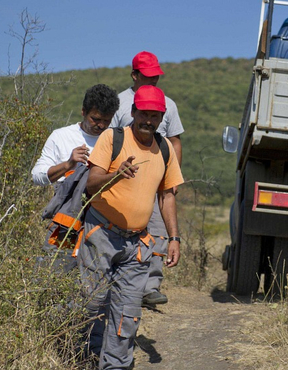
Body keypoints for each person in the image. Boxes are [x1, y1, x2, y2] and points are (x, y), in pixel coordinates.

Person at [79, 85, 183, 369]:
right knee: (93, 303)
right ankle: (85, 357)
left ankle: (114, 365)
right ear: (133, 112)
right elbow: (91, 183)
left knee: (127, 312)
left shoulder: (164, 149)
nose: (149, 120)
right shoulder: (112, 138)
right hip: (100, 234)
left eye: (156, 115)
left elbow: (167, 195)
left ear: (162, 117)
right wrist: (115, 175)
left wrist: (173, 238)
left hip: (137, 244)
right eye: (144, 114)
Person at [111, 51, 184, 306]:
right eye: (148, 76)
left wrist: (171, 180)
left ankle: (150, 286)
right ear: (134, 75)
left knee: (158, 232)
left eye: (156, 77)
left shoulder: (169, 104)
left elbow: (175, 141)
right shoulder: (119, 103)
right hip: (125, 180)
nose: (153, 81)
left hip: (156, 179)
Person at [31, 84, 119, 270]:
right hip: (67, 220)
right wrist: (68, 165)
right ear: (83, 111)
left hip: (104, 220)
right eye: (95, 119)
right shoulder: (61, 136)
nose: (101, 126)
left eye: (106, 121)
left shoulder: (116, 140)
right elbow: (37, 176)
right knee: (55, 271)